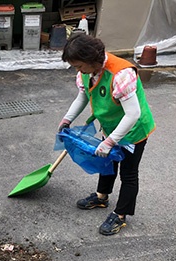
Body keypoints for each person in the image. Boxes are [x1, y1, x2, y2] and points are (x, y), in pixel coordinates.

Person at [58, 34, 155, 235]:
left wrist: (111, 141)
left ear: (92, 60)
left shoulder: (121, 74)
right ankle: (102, 197)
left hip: (133, 130)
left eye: (79, 66)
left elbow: (133, 114)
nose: (78, 70)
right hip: (111, 125)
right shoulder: (86, 71)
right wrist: (67, 119)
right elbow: (83, 96)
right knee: (107, 163)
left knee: (128, 172)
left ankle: (120, 215)